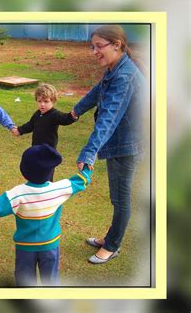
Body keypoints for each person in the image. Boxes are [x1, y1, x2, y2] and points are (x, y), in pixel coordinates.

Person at [70, 25, 146, 264]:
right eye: (92, 46)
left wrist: (89, 151)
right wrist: (77, 110)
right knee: (117, 197)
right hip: (121, 141)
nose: (94, 51)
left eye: (99, 46)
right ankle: (111, 237)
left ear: (118, 45)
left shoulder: (125, 75)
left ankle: (113, 245)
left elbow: (109, 117)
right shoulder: (115, 68)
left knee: (120, 198)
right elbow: (97, 91)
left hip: (128, 144)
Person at [0, 144, 93, 286]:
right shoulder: (59, 189)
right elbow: (81, 181)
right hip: (50, 245)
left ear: (23, 170)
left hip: (25, 247)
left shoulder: (17, 194)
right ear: (50, 171)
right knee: (50, 280)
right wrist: (87, 166)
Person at [12, 83, 78, 181]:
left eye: (46, 101)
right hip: (36, 150)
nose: (42, 104)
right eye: (39, 101)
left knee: (47, 174)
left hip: (48, 152)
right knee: (35, 171)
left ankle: (47, 191)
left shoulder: (54, 115)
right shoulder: (37, 114)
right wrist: (19, 130)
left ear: (53, 101)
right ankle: (35, 188)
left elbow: (65, 119)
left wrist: (73, 116)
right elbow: (30, 125)